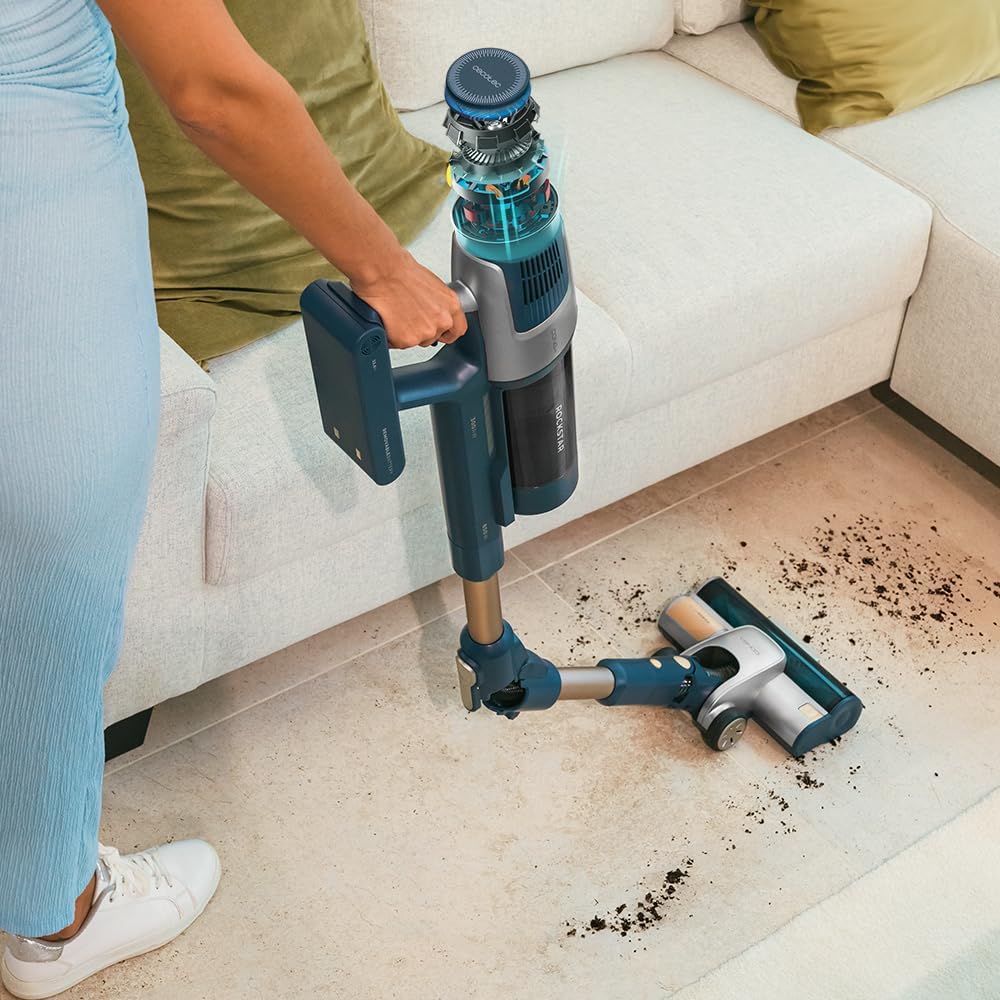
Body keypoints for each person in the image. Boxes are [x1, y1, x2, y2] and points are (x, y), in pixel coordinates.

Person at [0, 1, 467, 996]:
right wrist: (383, 268)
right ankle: (55, 921)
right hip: (31, 193)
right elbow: (211, 91)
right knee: (51, 587)